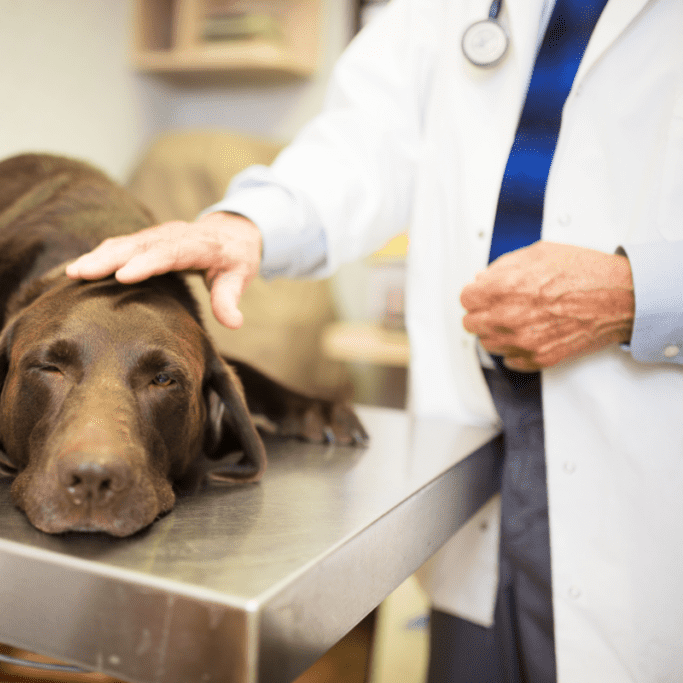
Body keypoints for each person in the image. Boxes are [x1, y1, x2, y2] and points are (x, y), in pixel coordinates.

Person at [67, 0, 683, 680]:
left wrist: (642, 293)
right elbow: (361, 149)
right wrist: (250, 223)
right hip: (477, 439)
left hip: (649, 443)